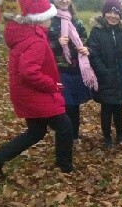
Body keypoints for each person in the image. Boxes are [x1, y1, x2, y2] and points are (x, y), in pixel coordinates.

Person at [0, 0, 73, 177]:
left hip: (25, 94)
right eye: (48, 18)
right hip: (36, 94)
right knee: (65, 126)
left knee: (36, 131)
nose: (50, 22)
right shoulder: (35, 41)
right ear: (37, 20)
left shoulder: (25, 35)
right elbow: (29, 72)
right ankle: (65, 166)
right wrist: (52, 84)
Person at [47, 0, 96, 143]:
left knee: (74, 105)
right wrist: (56, 43)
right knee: (64, 104)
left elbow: (86, 41)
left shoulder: (77, 22)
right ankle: (64, 135)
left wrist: (87, 49)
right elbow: (42, 47)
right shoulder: (48, 21)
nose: (64, 1)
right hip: (59, 72)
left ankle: (74, 135)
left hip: (76, 71)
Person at [88, 0, 122, 149]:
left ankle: (119, 134)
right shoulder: (97, 32)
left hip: (120, 76)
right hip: (105, 76)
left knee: (118, 107)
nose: (112, 16)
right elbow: (93, 54)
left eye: (116, 13)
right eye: (109, 13)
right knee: (106, 108)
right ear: (104, 13)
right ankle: (106, 137)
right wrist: (103, 72)